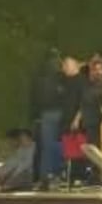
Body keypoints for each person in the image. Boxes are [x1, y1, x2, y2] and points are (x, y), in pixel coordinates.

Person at [35, 54, 68, 183]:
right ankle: (57, 173)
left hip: (46, 113)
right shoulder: (62, 79)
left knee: (47, 146)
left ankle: (46, 174)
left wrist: (36, 115)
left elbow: (36, 98)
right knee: (58, 145)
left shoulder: (40, 79)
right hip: (58, 112)